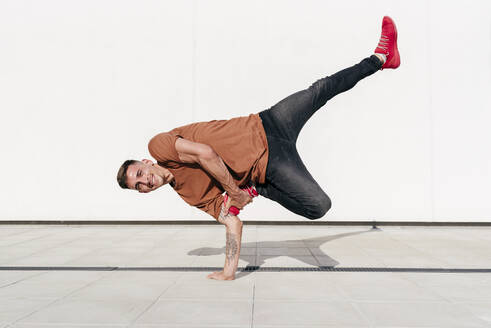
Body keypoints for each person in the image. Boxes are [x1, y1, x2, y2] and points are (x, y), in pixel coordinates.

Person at [116, 16, 400, 280]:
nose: (145, 181)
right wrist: (229, 271)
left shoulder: (159, 146)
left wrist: (235, 191)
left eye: (140, 172)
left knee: (320, 89)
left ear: (146, 161)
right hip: (272, 165)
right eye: (139, 186)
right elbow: (232, 222)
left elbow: (206, 154)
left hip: (268, 122)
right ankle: (261, 187)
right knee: (318, 207)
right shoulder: (189, 194)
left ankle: (380, 58)